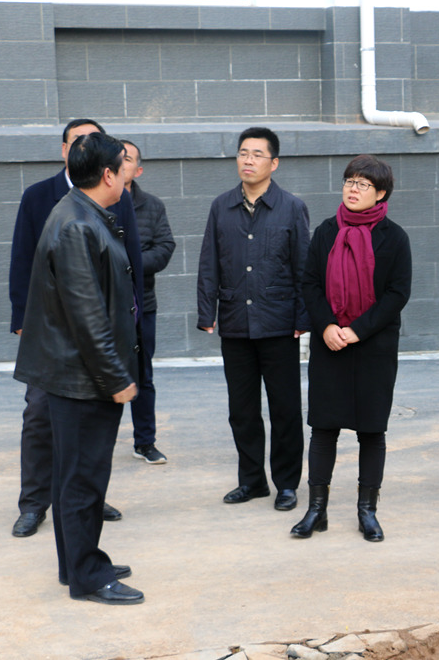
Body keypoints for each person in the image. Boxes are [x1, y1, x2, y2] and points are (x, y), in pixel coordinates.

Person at [14, 132, 144, 605]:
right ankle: (88, 575)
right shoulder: (76, 225)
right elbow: (87, 318)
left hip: (78, 374)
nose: (129, 172)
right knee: (83, 479)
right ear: (108, 174)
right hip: (81, 378)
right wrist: (117, 380)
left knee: (74, 476)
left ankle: (76, 563)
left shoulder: (80, 212)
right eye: (124, 165)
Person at [292, 155, 412, 542]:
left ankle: (367, 511)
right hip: (330, 344)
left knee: (371, 430)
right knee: (323, 428)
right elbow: (310, 283)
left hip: (374, 345)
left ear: (381, 194)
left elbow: (397, 293)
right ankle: (317, 510)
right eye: (349, 181)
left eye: (363, 184)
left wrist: (357, 330)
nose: (353, 189)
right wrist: (327, 325)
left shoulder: (395, 237)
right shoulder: (326, 231)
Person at [197, 127, 310, 511]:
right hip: (235, 323)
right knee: (242, 410)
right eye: (243, 153)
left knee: (285, 409)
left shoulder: (291, 207)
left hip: (279, 323)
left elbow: (303, 267)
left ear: (273, 163)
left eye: (257, 154)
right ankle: (252, 481)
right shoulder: (221, 207)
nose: (248, 160)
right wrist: (207, 312)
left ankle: (287, 484)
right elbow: (209, 263)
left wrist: (303, 317)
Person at [120, 141, 175, 465]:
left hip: (142, 304)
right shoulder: (95, 202)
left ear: (138, 170)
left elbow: (165, 247)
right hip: (103, 307)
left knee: (142, 376)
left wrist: (130, 264)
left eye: (127, 159)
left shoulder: (152, 206)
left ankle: (145, 442)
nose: (120, 163)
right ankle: (96, 441)